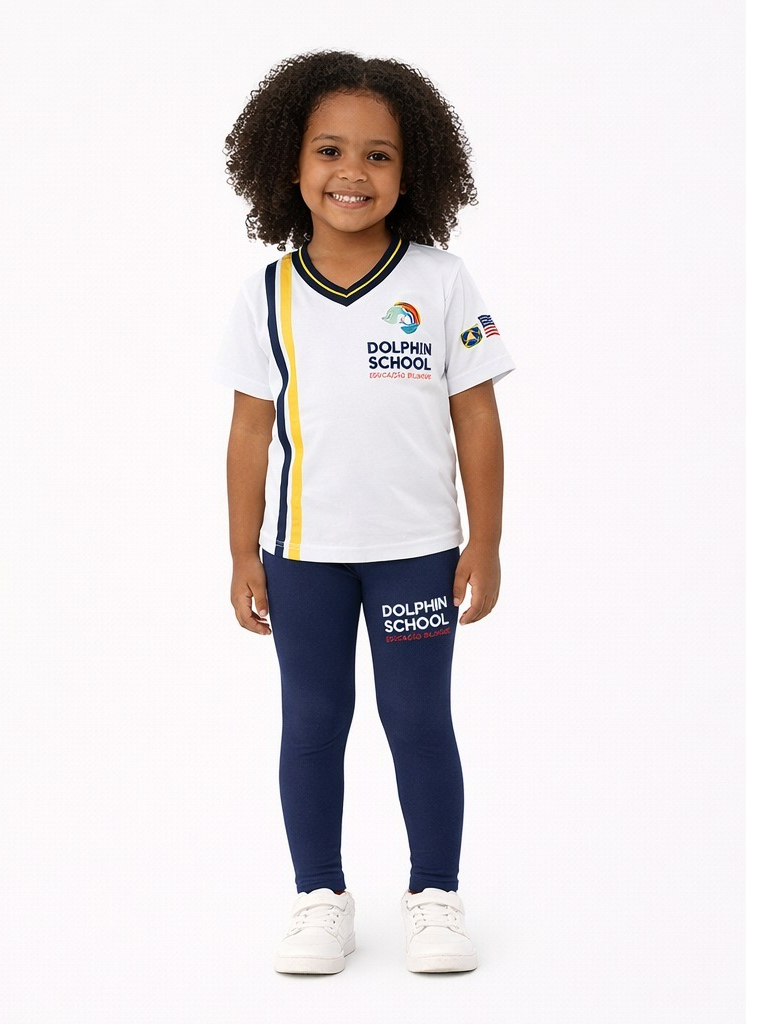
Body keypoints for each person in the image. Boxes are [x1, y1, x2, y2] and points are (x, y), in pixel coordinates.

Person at [213, 50, 515, 975]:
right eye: (330, 150)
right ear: (289, 164)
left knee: (418, 722)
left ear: (412, 170)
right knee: (312, 722)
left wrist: (487, 543)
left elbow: (478, 419)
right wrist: (243, 552)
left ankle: (435, 897)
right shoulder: (267, 294)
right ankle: (319, 898)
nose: (353, 172)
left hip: (419, 552)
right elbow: (248, 432)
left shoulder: (442, 280)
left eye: (379, 155)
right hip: (302, 554)